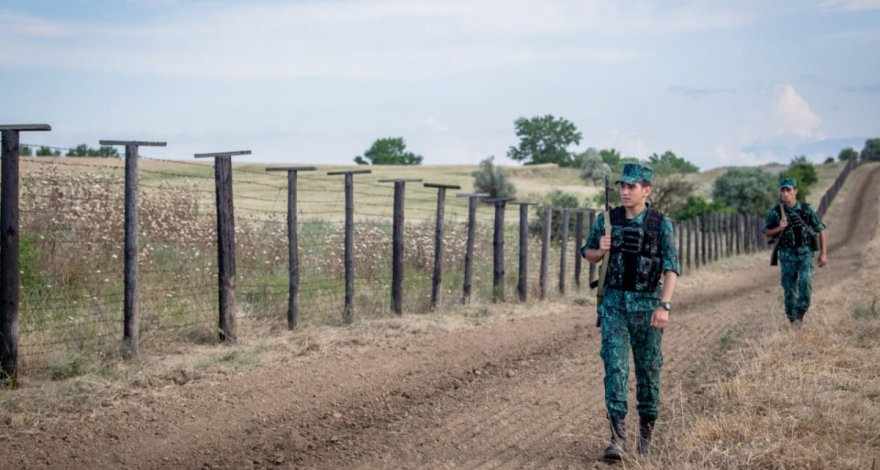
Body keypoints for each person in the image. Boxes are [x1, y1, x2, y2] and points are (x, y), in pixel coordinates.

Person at [580, 163, 680, 459]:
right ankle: (618, 439)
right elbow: (588, 254)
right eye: (622, 186)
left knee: (648, 372)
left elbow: (672, 267)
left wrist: (665, 305)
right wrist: (601, 248)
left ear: (646, 190)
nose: (624, 191)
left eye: (631, 187)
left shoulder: (660, 223)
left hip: (648, 308)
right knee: (615, 369)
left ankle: (645, 438)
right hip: (614, 306)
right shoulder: (607, 220)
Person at [762, 177, 827, 325]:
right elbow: (766, 232)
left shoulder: (806, 209)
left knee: (805, 281)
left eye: (788, 190)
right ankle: (792, 319)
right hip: (786, 256)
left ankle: (800, 314)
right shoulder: (776, 212)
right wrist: (779, 228)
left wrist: (823, 253)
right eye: (782, 190)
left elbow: (820, 229)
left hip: (805, 254)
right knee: (789, 289)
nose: (785, 193)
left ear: (795, 191)